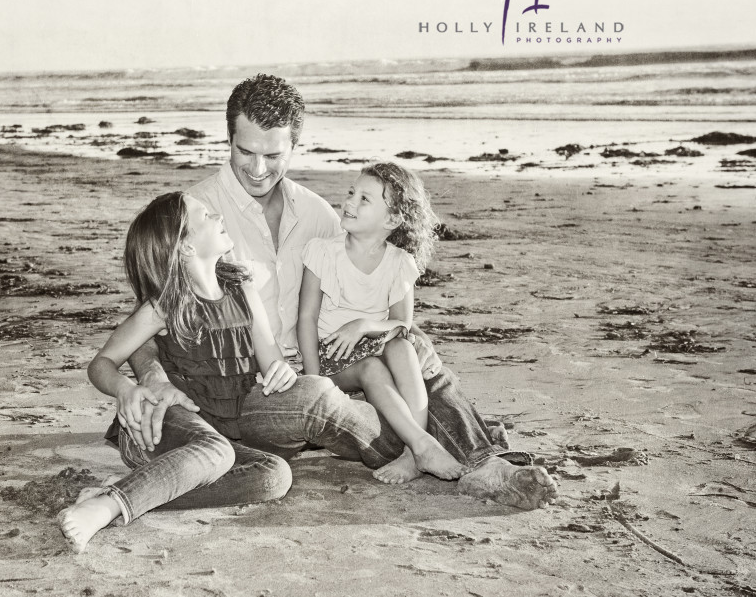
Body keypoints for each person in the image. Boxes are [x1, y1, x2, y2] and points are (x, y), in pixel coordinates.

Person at [116, 73, 557, 515]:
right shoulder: (195, 214)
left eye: (272, 155)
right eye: (244, 151)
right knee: (325, 400)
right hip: (253, 387)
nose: (257, 168)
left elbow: (366, 288)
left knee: (411, 344)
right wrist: (153, 378)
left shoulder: (317, 214)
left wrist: (371, 336)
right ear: (227, 138)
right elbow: (150, 319)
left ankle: (480, 459)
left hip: (323, 360)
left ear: (294, 147)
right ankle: (447, 447)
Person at [59, 192, 299, 553]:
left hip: (214, 435)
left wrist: (282, 371)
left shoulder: (241, 289)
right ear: (185, 247)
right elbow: (101, 363)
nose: (217, 214)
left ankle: (137, 488)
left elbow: (272, 359)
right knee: (217, 452)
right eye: (205, 214)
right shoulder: (164, 306)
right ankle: (109, 506)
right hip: (160, 426)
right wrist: (126, 390)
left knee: (274, 475)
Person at [298, 162, 460, 485]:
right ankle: (422, 444)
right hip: (332, 357)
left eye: (364, 199)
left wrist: (363, 324)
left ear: (392, 220)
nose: (349, 202)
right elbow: (306, 319)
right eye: (351, 193)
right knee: (372, 368)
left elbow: (402, 323)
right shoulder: (322, 253)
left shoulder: (399, 263)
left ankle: (412, 454)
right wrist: (315, 383)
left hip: (371, 342)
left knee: (402, 346)